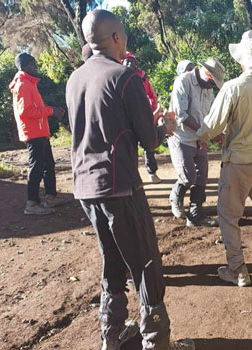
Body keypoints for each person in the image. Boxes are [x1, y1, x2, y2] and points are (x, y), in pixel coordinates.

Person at [65, 9, 193, 350]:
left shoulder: (74, 78)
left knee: (112, 261)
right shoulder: (124, 78)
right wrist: (164, 127)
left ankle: (113, 334)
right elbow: (148, 140)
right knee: (146, 262)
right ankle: (157, 341)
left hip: (85, 187)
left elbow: (91, 127)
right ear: (117, 37)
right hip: (120, 186)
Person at [197, 30, 252, 287]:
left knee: (228, 216)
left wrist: (201, 135)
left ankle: (237, 269)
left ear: (241, 60)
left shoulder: (232, 87)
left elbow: (212, 126)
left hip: (238, 162)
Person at [168, 58, 225, 227]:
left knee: (202, 176)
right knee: (188, 176)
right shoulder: (183, 81)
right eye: (212, 83)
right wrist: (205, 133)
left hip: (199, 137)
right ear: (206, 74)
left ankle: (196, 213)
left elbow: (210, 114)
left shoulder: (208, 88)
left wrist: (215, 132)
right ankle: (175, 196)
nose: (212, 87)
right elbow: (181, 116)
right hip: (181, 136)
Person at [9, 52, 66, 216]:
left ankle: (51, 196)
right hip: (33, 132)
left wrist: (51, 110)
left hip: (40, 131)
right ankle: (32, 202)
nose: (36, 67)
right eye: (33, 65)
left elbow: (33, 107)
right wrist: (50, 111)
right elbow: (25, 111)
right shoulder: (23, 84)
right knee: (37, 166)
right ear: (24, 66)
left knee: (48, 164)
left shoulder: (29, 82)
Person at [124, 51, 163, 184]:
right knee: (128, 146)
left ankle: (152, 172)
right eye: (126, 60)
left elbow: (152, 95)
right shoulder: (116, 75)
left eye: (132, 61)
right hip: (125, 117)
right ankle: (131, 176)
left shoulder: (141, 78)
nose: (129, 63)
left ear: (136, 63)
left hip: (142, 114)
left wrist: (151, 111)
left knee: (148, 143)